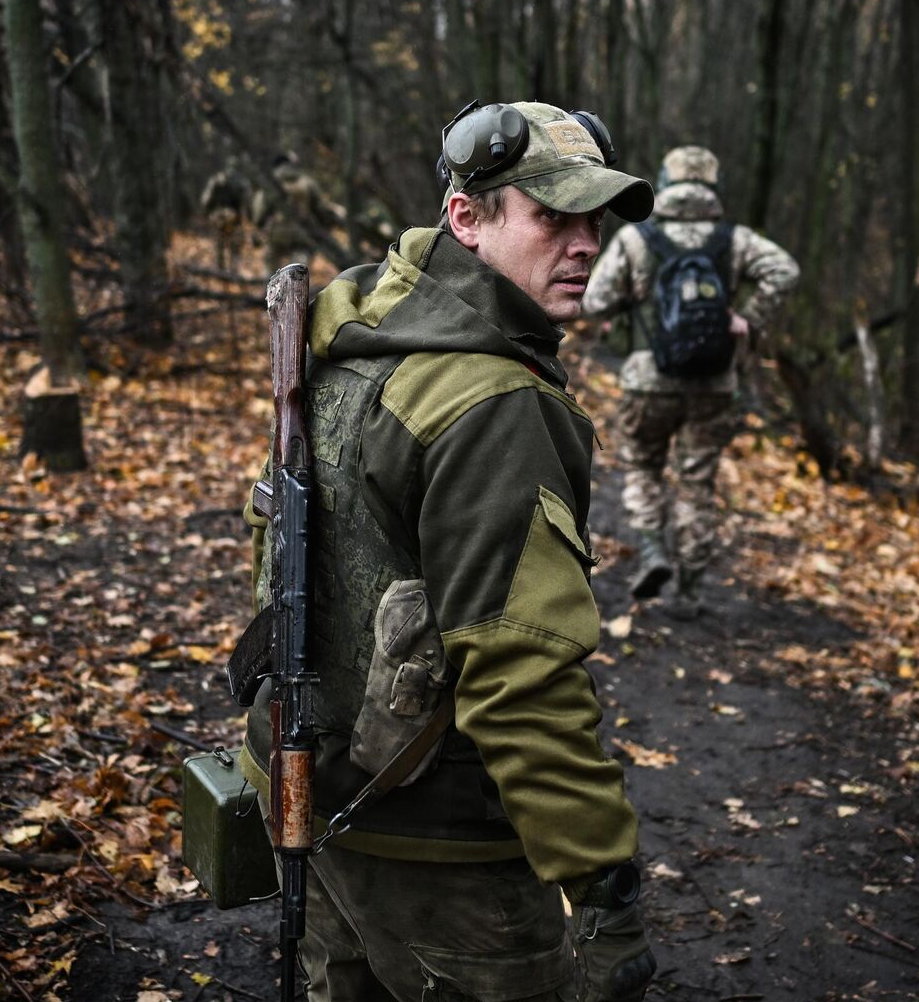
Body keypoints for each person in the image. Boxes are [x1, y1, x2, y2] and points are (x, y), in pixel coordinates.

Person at [239, 101, 658, 1002]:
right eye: (553, 217)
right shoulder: (492, 403)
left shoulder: (347, 334)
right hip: (439, 846)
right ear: (466, 217)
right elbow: (522, 673)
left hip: (304, 783)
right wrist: (603, 886)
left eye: (596, 220)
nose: (586, 244)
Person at [580, 145, 800, 620]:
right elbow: (785, 270)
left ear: (667, 180)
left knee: (642, 466)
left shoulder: (638, 238)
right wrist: (748, 320)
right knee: (697, 482)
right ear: (711, 185)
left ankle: (655, 550)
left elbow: (594, 301)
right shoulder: (734, 239)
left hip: (647, 378)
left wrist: (625, 310)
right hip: (715, 380)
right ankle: (690, 589)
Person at [200, 166, 247, 272]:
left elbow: (206, 202)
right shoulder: (237, 182)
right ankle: (229, 271)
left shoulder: (217, 183)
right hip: (228, 219)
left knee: (223, 245)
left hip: (225, 218)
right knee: (229, 246)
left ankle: (223, 271)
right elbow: (243, 204)